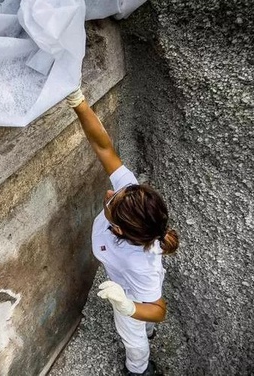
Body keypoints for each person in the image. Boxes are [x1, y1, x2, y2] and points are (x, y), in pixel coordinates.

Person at [66, 88, 179, 376]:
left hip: (129, 291)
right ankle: (147, 332)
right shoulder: (129, 194)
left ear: (117, 229)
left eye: (109, 202)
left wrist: (127, 305)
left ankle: (139, 370)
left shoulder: (140, 264)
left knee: (134, 338)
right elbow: (104, 147)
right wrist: (79, 103)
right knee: (146, 318)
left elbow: (159, 309)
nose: (109, 192)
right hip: (133, 280)